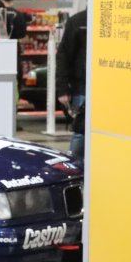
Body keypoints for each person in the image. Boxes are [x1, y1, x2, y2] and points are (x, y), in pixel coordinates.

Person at [55, 8, 88, 162]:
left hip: (102, 87)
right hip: (82, 87)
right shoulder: (78, 21)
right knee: (81, 131)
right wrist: (62, 88)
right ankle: (74, 165)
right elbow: (64, 55)